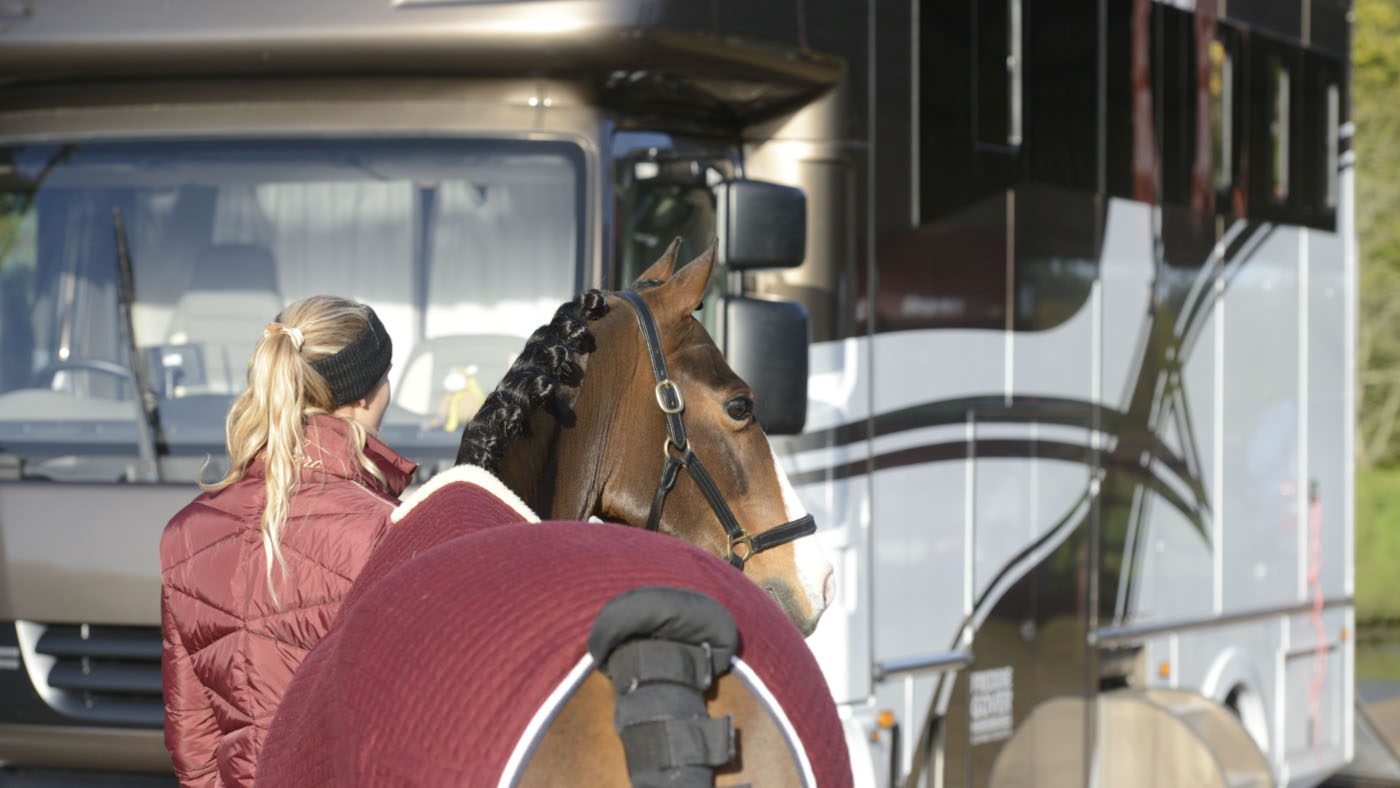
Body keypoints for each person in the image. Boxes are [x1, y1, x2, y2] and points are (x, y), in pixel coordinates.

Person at [158, 296, 416, 787]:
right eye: (385, 376)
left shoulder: (184, 534)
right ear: (365, 395)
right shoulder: (389, 532)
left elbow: (192, 734)